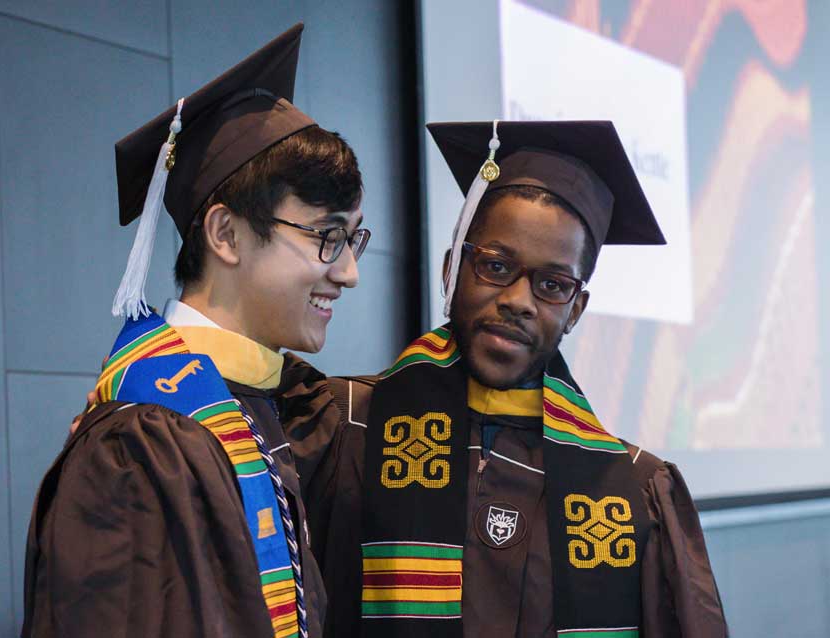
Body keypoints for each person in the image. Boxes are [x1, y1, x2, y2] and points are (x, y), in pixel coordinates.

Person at [297, 120, 728, 637]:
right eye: (496, 267)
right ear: (451, 269)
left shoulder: (635, 491)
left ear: (575, 310)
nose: (519, 302)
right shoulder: (344, 427)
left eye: (552, 284)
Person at [21, 24, 368, 638]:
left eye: (354, 237)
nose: (349, 273)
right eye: (327, 237)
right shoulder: (137, 444)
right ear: (226, 235)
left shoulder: (281, 405)